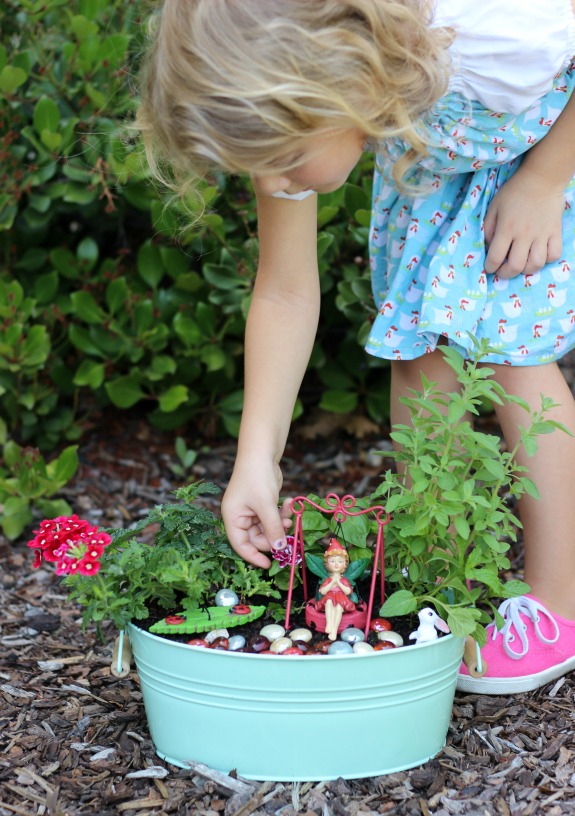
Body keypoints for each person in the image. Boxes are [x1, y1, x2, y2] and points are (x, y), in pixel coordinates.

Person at [137, 0, 575, 694]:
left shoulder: (494, 24)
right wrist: (257, 457)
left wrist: (546, 179)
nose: (275, 186)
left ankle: (559, 603)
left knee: (510, 357)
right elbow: (284, 292)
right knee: (418, 356)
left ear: (340, 84)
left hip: (530, 167)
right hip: (438, 173)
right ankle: (440, 579)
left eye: (281, 162)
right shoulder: (297, 105)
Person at [314, 539, 357, 641]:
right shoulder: (328, 580)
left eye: (340, 561)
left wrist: (338, 583)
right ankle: (329, 624)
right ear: (327, 564)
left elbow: (348, 592)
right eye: (333, 561)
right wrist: (332, 582)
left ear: (345, 564)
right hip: (329, 597)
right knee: (328, 602)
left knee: (338, 608)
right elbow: (323, 591)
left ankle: (334, 631)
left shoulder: (344, 580)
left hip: (342, 599)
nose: (336, 564)